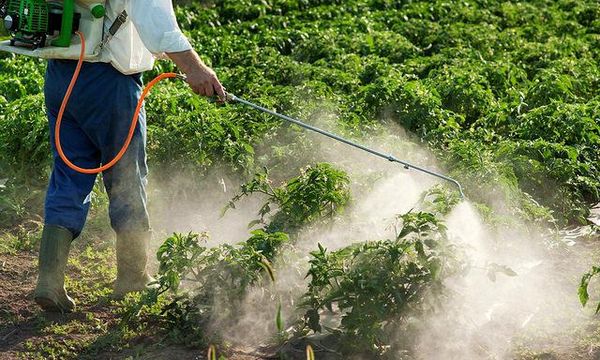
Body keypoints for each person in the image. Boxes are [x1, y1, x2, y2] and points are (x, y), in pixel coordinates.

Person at [34, 0, 224, 313]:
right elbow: (158, 25)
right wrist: (196, 69)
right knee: (127, 177)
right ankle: (133, 276)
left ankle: (49, 281)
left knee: (68, 176)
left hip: (61, 75)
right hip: (109, 84)